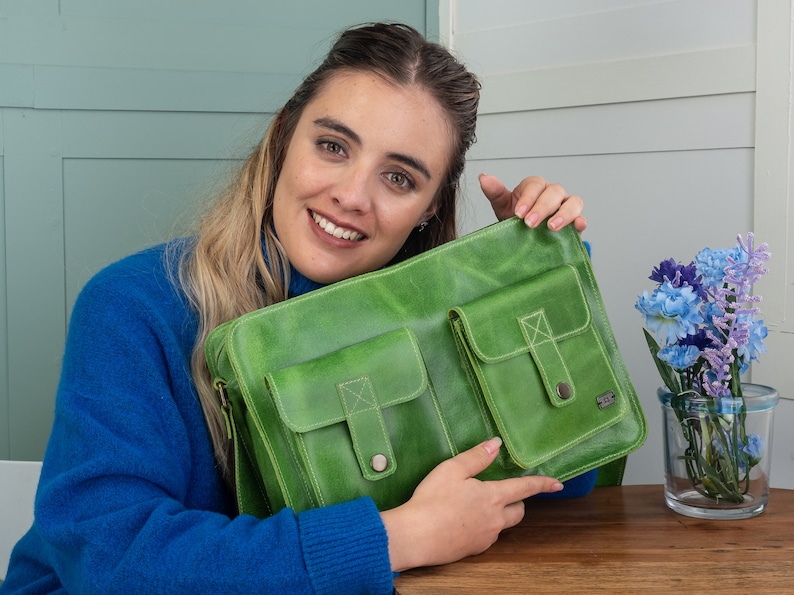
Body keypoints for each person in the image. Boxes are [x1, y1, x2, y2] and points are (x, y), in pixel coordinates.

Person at [1, 22, 589, 594]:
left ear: (431, 207)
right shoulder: (132, 307)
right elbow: (108, 560)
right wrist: (396, 539)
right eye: (333, 146)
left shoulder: (427, 319)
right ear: (283, 137)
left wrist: (533, 283)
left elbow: (569, 477)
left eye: (399, 178)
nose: (352, 196)